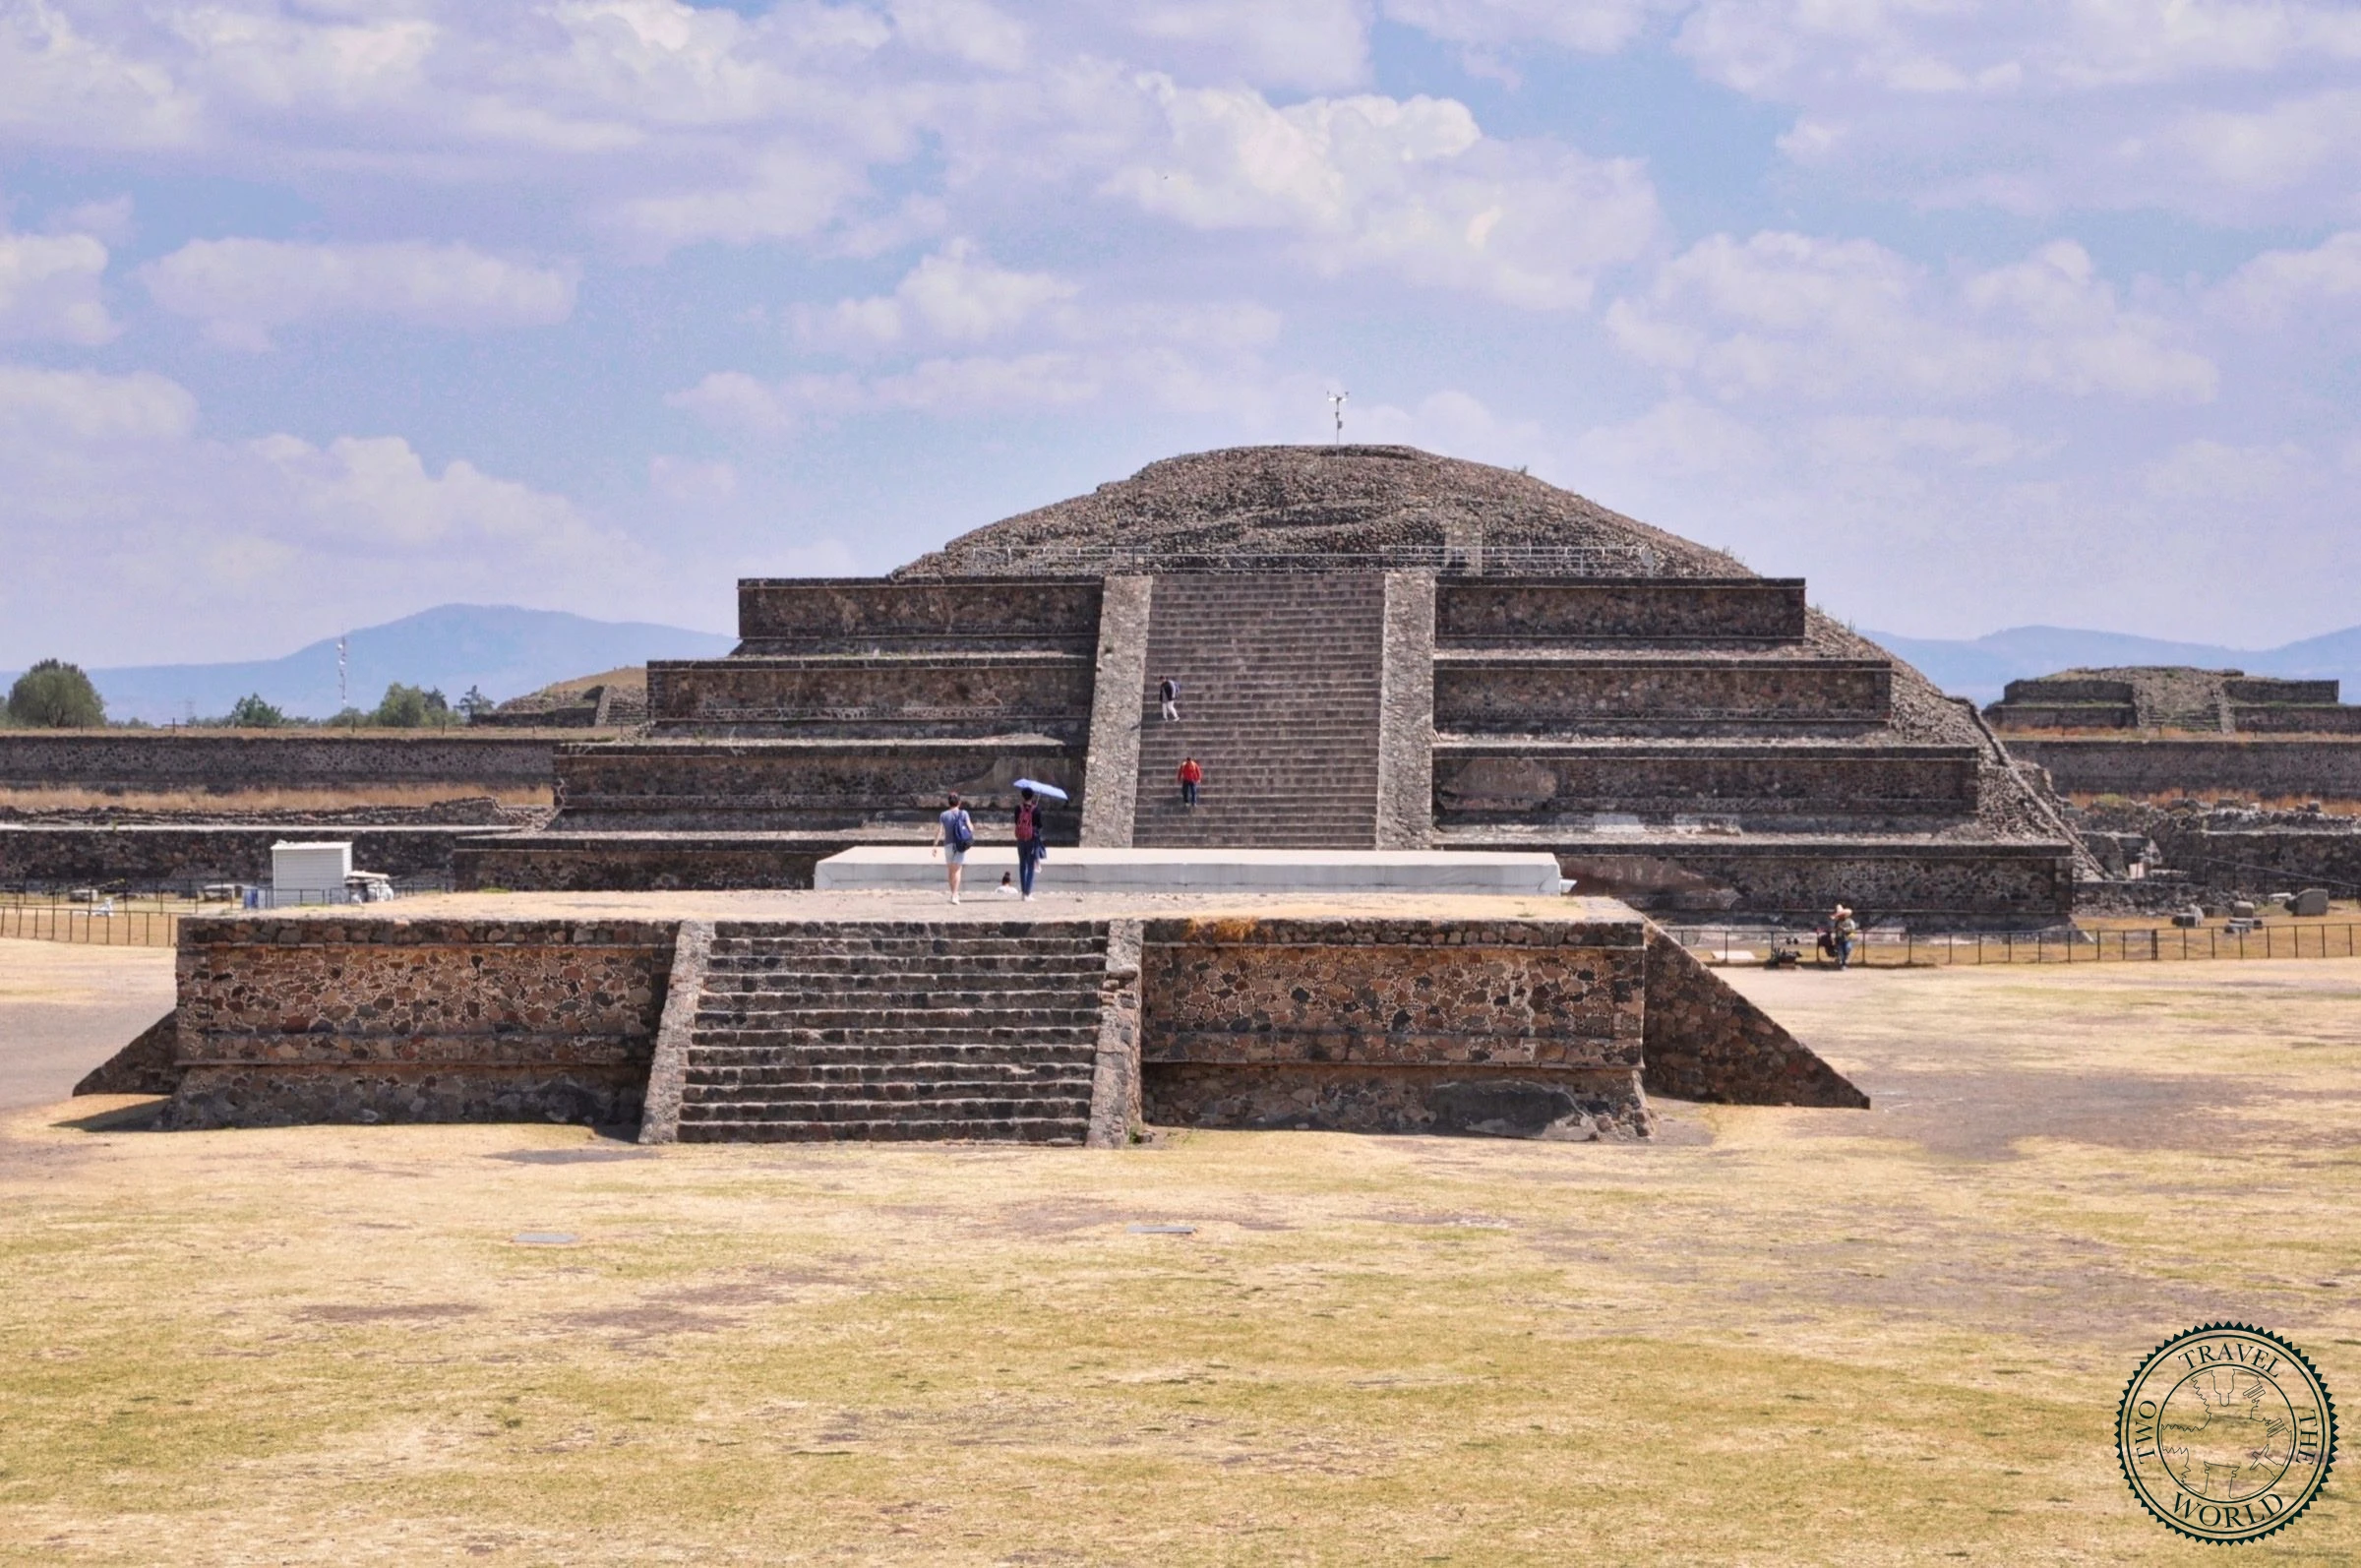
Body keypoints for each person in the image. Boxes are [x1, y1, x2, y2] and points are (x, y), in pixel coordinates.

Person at [933, 792, 974, 903]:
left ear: (949, 803)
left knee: (951, 871)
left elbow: (940, 831)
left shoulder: (944, 815)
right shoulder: (964, 813)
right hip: (960, 844)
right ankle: (955, 895)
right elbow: (970, 828)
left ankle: (953, 894)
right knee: (957, 870)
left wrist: (935, 845)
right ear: (959, 802)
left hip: (948, 845)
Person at [1012, 786, 1046, 900]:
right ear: (1032, 796)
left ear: (1022, 796)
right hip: (1031, 839)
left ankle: (1023, 892)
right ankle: (1028, 892)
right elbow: (1039, 825)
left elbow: (1016, 821)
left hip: (1020, 839)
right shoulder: (1036, 809)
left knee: (1022, 865)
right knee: (1031, 866)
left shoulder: (1018, 808)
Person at [1829, 903, 1857, 970]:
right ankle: (1843, 964)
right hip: (1839, 938)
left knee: (1848, 948)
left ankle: (1844, 962)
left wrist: (1844, 929)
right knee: (1841, 952)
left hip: (1847, 938)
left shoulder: (1850, 921)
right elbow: (1835, 930)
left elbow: (1853, 929)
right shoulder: (1837, 922)